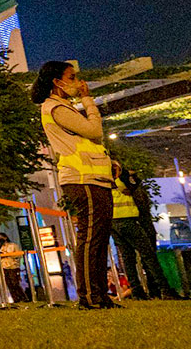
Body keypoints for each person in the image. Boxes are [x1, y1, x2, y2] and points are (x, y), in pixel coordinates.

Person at [35, 60, 117, 309]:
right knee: (90, 239)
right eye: (71, 78)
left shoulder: (63, 106)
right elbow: (94, 131)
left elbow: (85, 141)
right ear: (57, 82)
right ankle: (90, 297)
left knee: (99, 240)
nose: (78, 83)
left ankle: (100, 295)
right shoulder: (56, 108)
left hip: (93, 178)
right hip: (81, 180)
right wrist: (89, 101)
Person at [110, 160, 181, 300]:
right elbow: (132, 186)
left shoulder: (103, 184)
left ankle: (137, 292)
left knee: (128, 258)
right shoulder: (121, 182)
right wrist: (124, 175)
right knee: (148, 255)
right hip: (128, 220)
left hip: (113, 224)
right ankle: (165, 290)